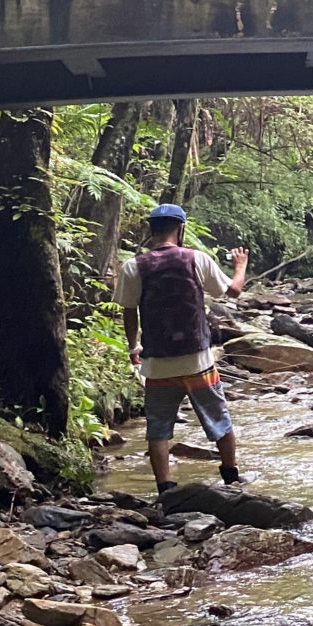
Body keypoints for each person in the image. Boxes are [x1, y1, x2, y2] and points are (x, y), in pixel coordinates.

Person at [113, 204, 250, 499]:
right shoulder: (197, 259)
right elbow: (234, 292)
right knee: (219, 418)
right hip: (198, 362)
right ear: (180, 228)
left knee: (158, 428)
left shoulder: (133, 266)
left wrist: (132, 346)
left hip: (158, 367)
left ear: (151, 229)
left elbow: (129, 311)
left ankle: (165, 489)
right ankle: (231, 476)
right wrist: (240, 266)